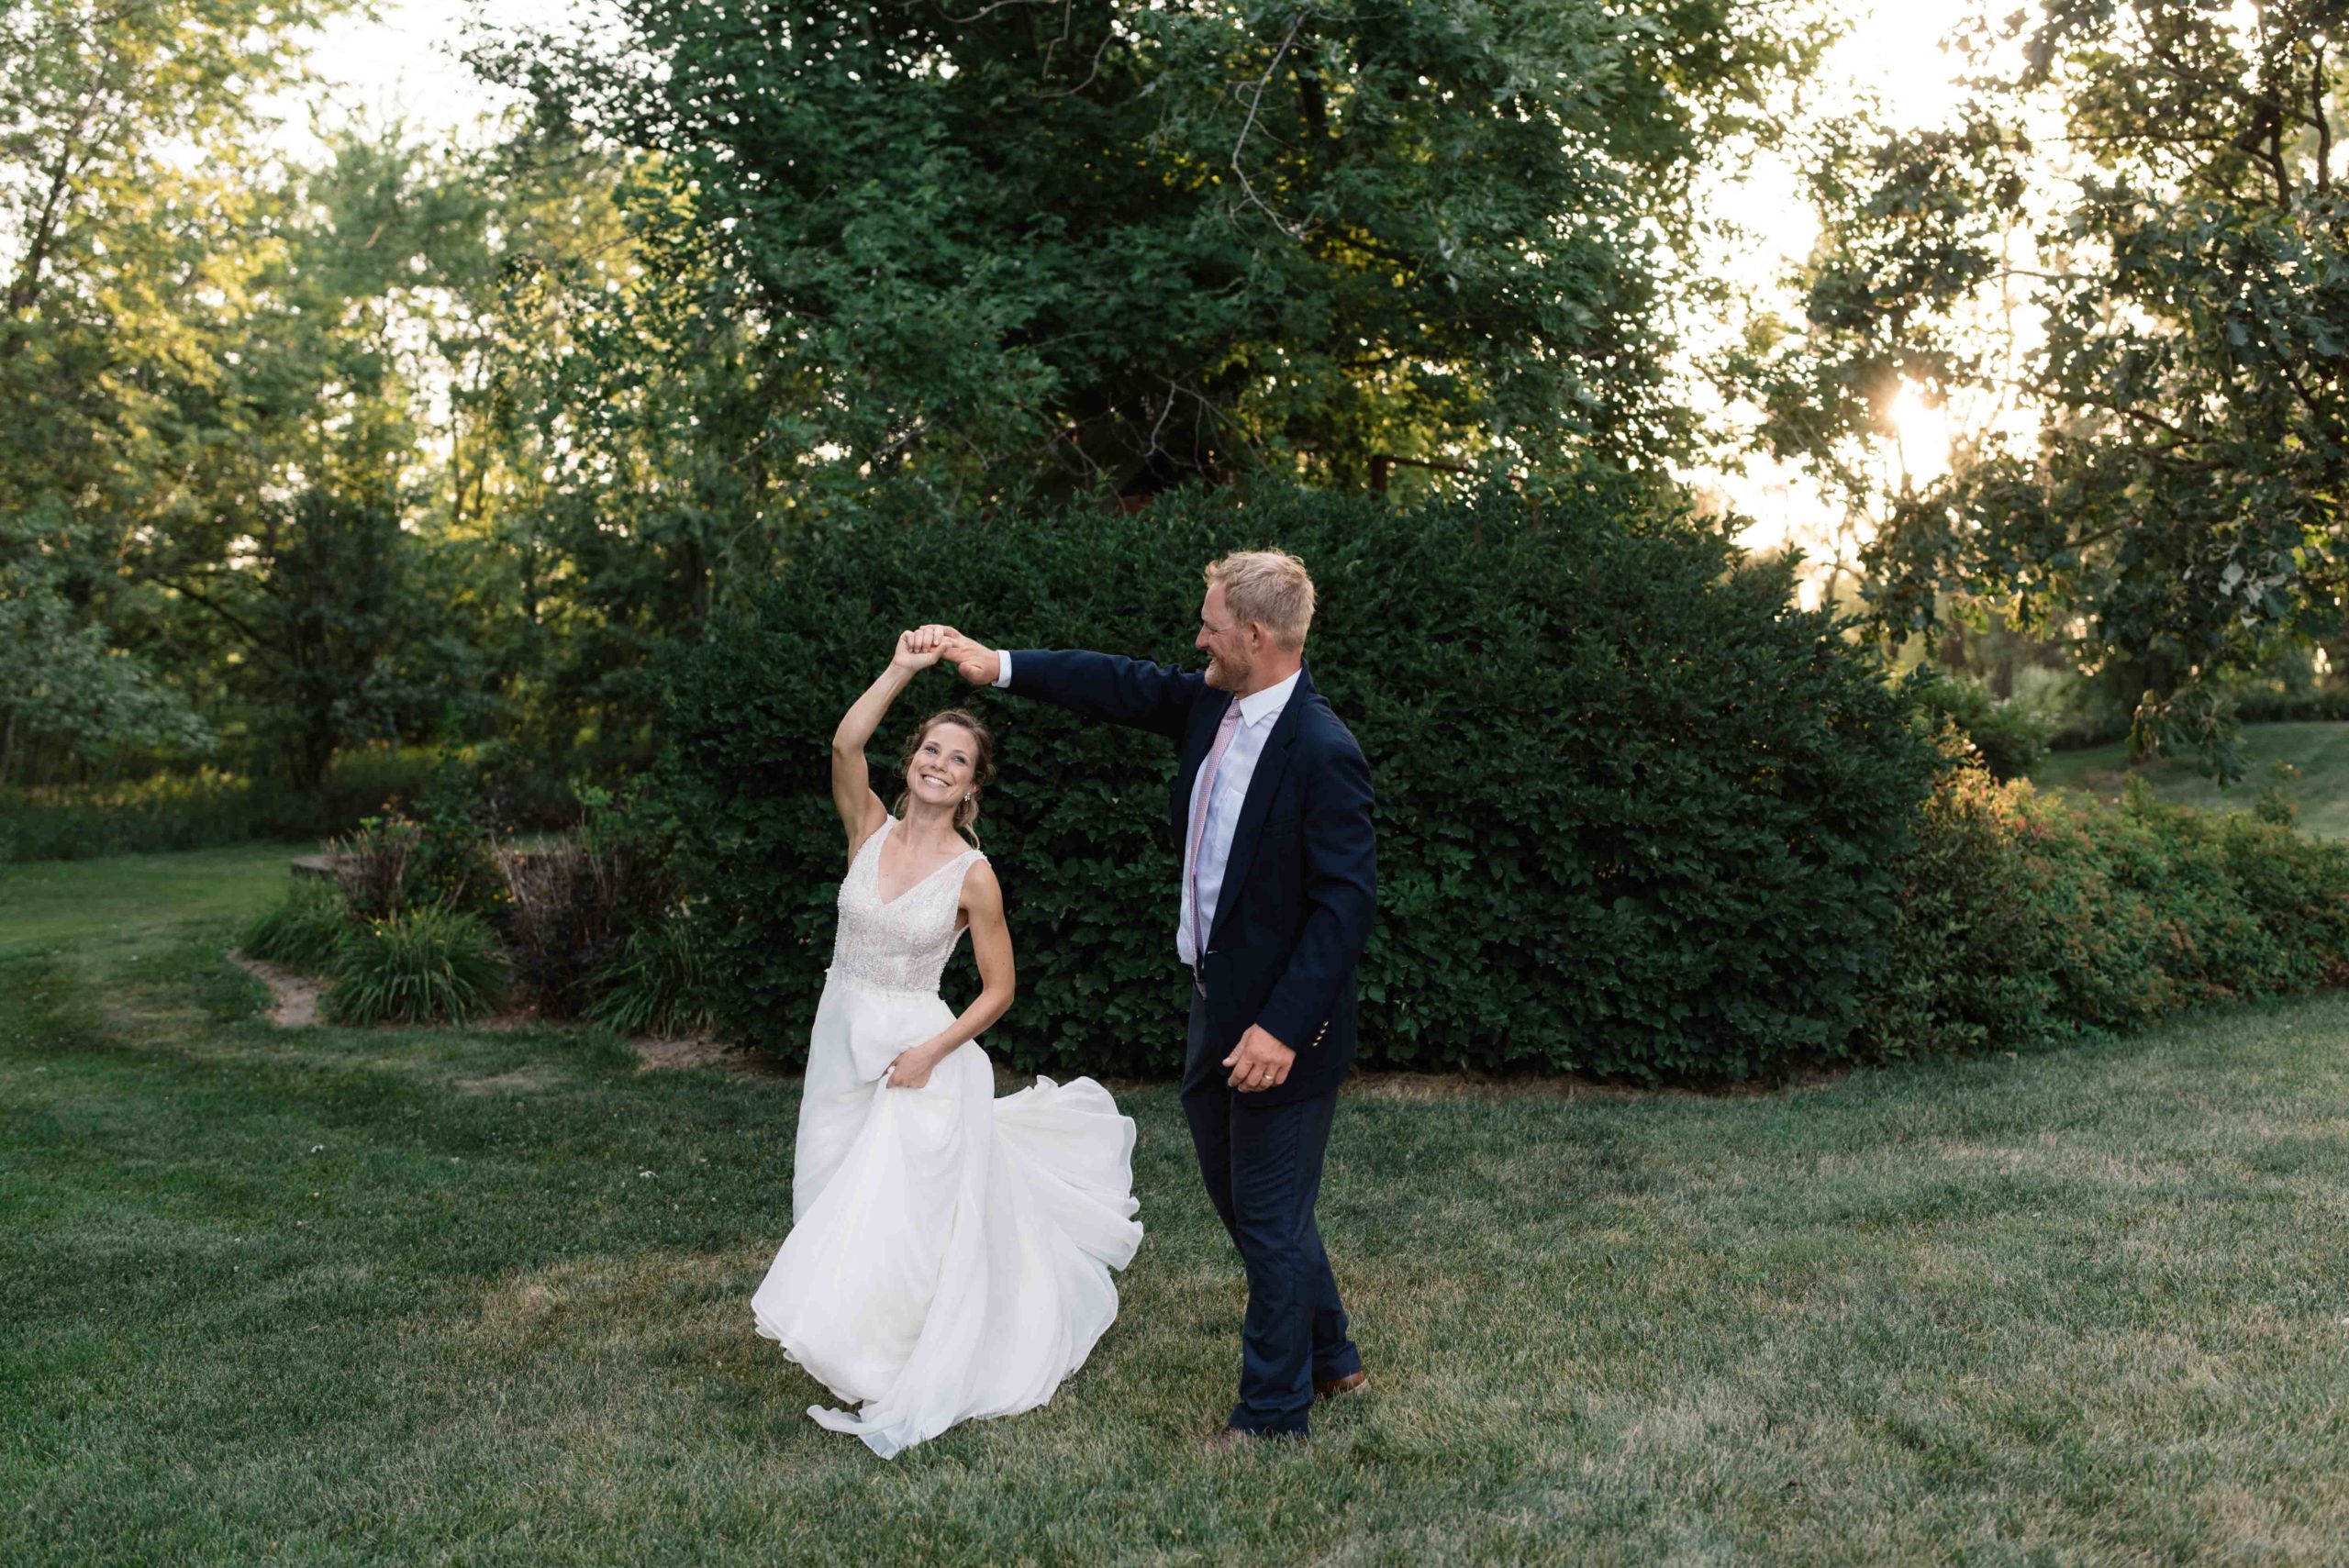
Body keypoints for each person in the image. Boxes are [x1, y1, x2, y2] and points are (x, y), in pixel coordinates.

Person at [932, 549, 1377, 1447]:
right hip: (1214, 1005)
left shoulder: (1324, 751)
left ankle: (1272, 1412)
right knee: (1254, 1206)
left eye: (1210, 623)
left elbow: (1345, 906)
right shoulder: (1214, 701)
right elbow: (1118, 683)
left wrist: (1282, 1029)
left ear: (1255, 635)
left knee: (1266, 1214)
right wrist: (999, 665)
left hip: (1280, 1031)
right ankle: (1332, 1354)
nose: (1197, 637)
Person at [749, 628, 1143, 1459]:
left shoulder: (974, 873)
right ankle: (850, 1343)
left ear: (971, 784)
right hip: (840, 1037)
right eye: (931, 748)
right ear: (912, 760)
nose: (938, 763)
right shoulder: (867, 825)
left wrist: (935, 1050)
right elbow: (845, 740)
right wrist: (900, 667)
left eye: (957, 759)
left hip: (915, 1053)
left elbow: (1000, 987)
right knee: (827, 1188)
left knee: (900, 1214)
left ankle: (898, 1358)